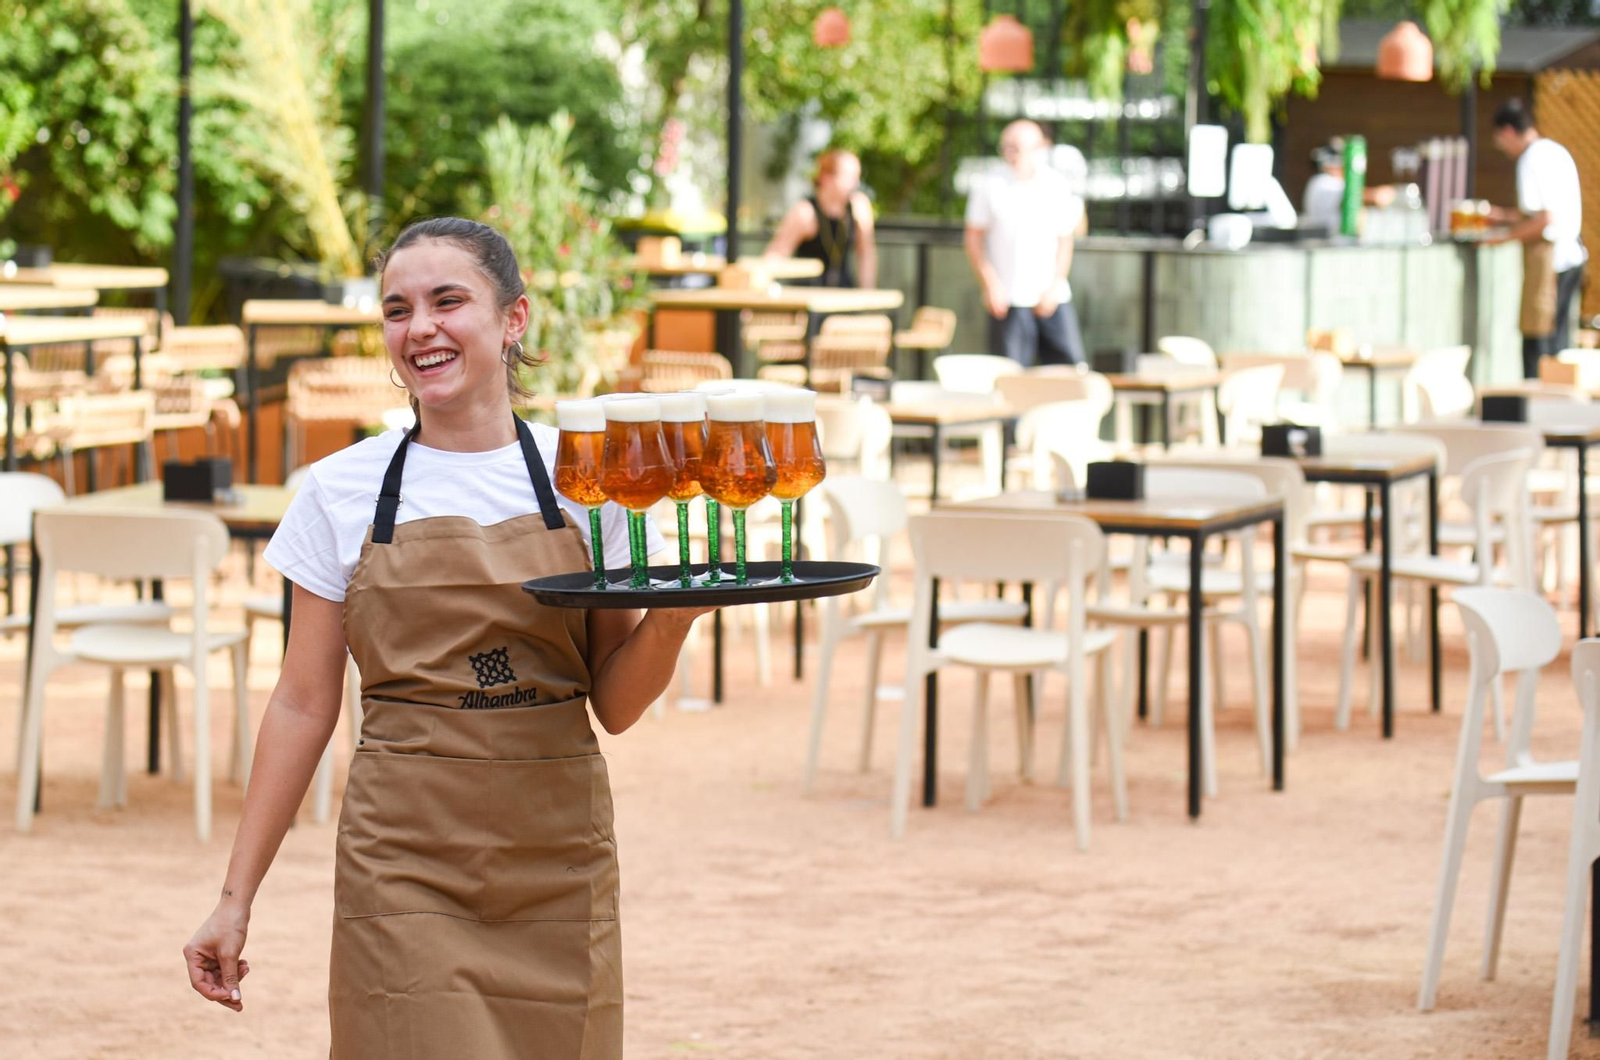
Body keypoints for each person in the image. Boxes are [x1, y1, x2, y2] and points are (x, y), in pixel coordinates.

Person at [182, 217, 705, 1058]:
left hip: (557, 857)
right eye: (398, 309)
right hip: (405, 860)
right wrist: (235, 898)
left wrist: (673, 619)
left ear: (513, 318)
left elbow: (614, 702)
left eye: (447, 301)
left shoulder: (587, 480)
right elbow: (303, 704)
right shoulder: (341, 489)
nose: (419, 327)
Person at [963, 119, 1087, 367]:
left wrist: (1055, 285)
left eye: (1017, 148)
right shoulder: (989, 184)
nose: (1010, 154)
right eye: (1005, 147)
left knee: (1069, 373)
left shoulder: (1056, 185)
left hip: (1052, 298)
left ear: (1039, 148)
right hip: (1009, 298)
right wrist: (990, 284)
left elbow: (1066, 240)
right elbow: (973, 237)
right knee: (1010, 377)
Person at [1487, 98, 1587, 378]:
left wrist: (1501, 238)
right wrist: (1502, 216)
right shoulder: (1556, 151)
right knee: (1558, 344)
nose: (1503, 148)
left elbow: (1544, 219)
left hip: (1550, 263)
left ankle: (1537, 399)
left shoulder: (1530, 158)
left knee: (1538, 344)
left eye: (1500, 141)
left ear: (1508, 132)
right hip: (1573, 256)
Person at [764, 148, 877, 288]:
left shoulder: (858, 208)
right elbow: (777, 254)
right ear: (826, 177)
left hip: (843, 293)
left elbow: (866, 254)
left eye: (856, 177)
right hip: (808, 293)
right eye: (849, 177)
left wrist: (867, 294)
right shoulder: (805, 212)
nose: (855, 184)